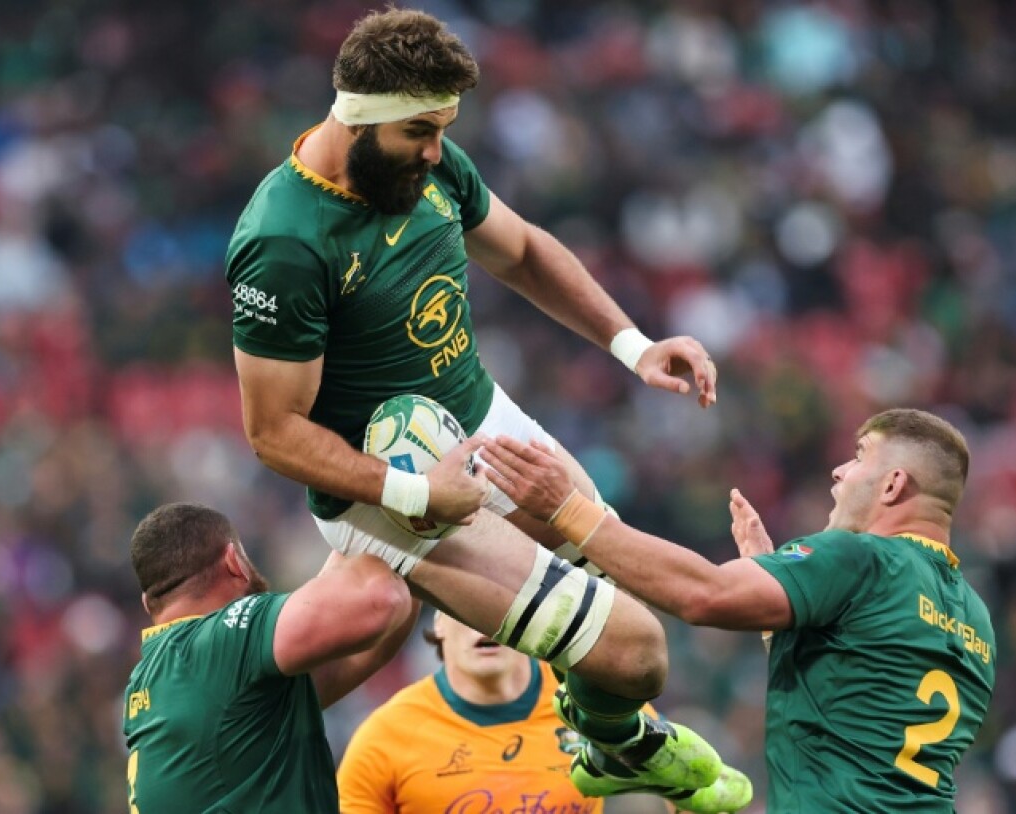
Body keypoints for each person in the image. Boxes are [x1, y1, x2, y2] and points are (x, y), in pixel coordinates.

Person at [224, 8, 744, 812]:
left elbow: (524, 250)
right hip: (389, 490)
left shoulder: (422, 165)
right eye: (420, 133)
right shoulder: (284, 243)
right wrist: (417, 493)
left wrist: (634, 347)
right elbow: (273, 433)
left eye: (444, 131)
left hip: (481, 422)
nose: (437, 152)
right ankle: (620, 743)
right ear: (358, 118)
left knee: (621, 577)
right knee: (637, 652)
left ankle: (613, 742)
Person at [482, 408, 998, 813]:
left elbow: (702, 595)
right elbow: (858, 691)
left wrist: (567, 508)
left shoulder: (861, 558)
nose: (840, 470)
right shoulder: (975, 619)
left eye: (860, 456)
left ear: (892, 485)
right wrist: (783, 609)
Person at [122, 502, 419, 813]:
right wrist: (401, 511)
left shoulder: (152, 678)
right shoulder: (220, 642)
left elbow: (353, 656)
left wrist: (375, 535)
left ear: (148, 603)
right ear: (234, 561)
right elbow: (380, 599)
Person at [336, 610, 676, 813]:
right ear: (438, 622)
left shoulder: (587, 704)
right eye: (464, 609)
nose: (483, 625)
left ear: (528, 620)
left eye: (498, 609)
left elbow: (685, 783)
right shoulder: (385, 738)